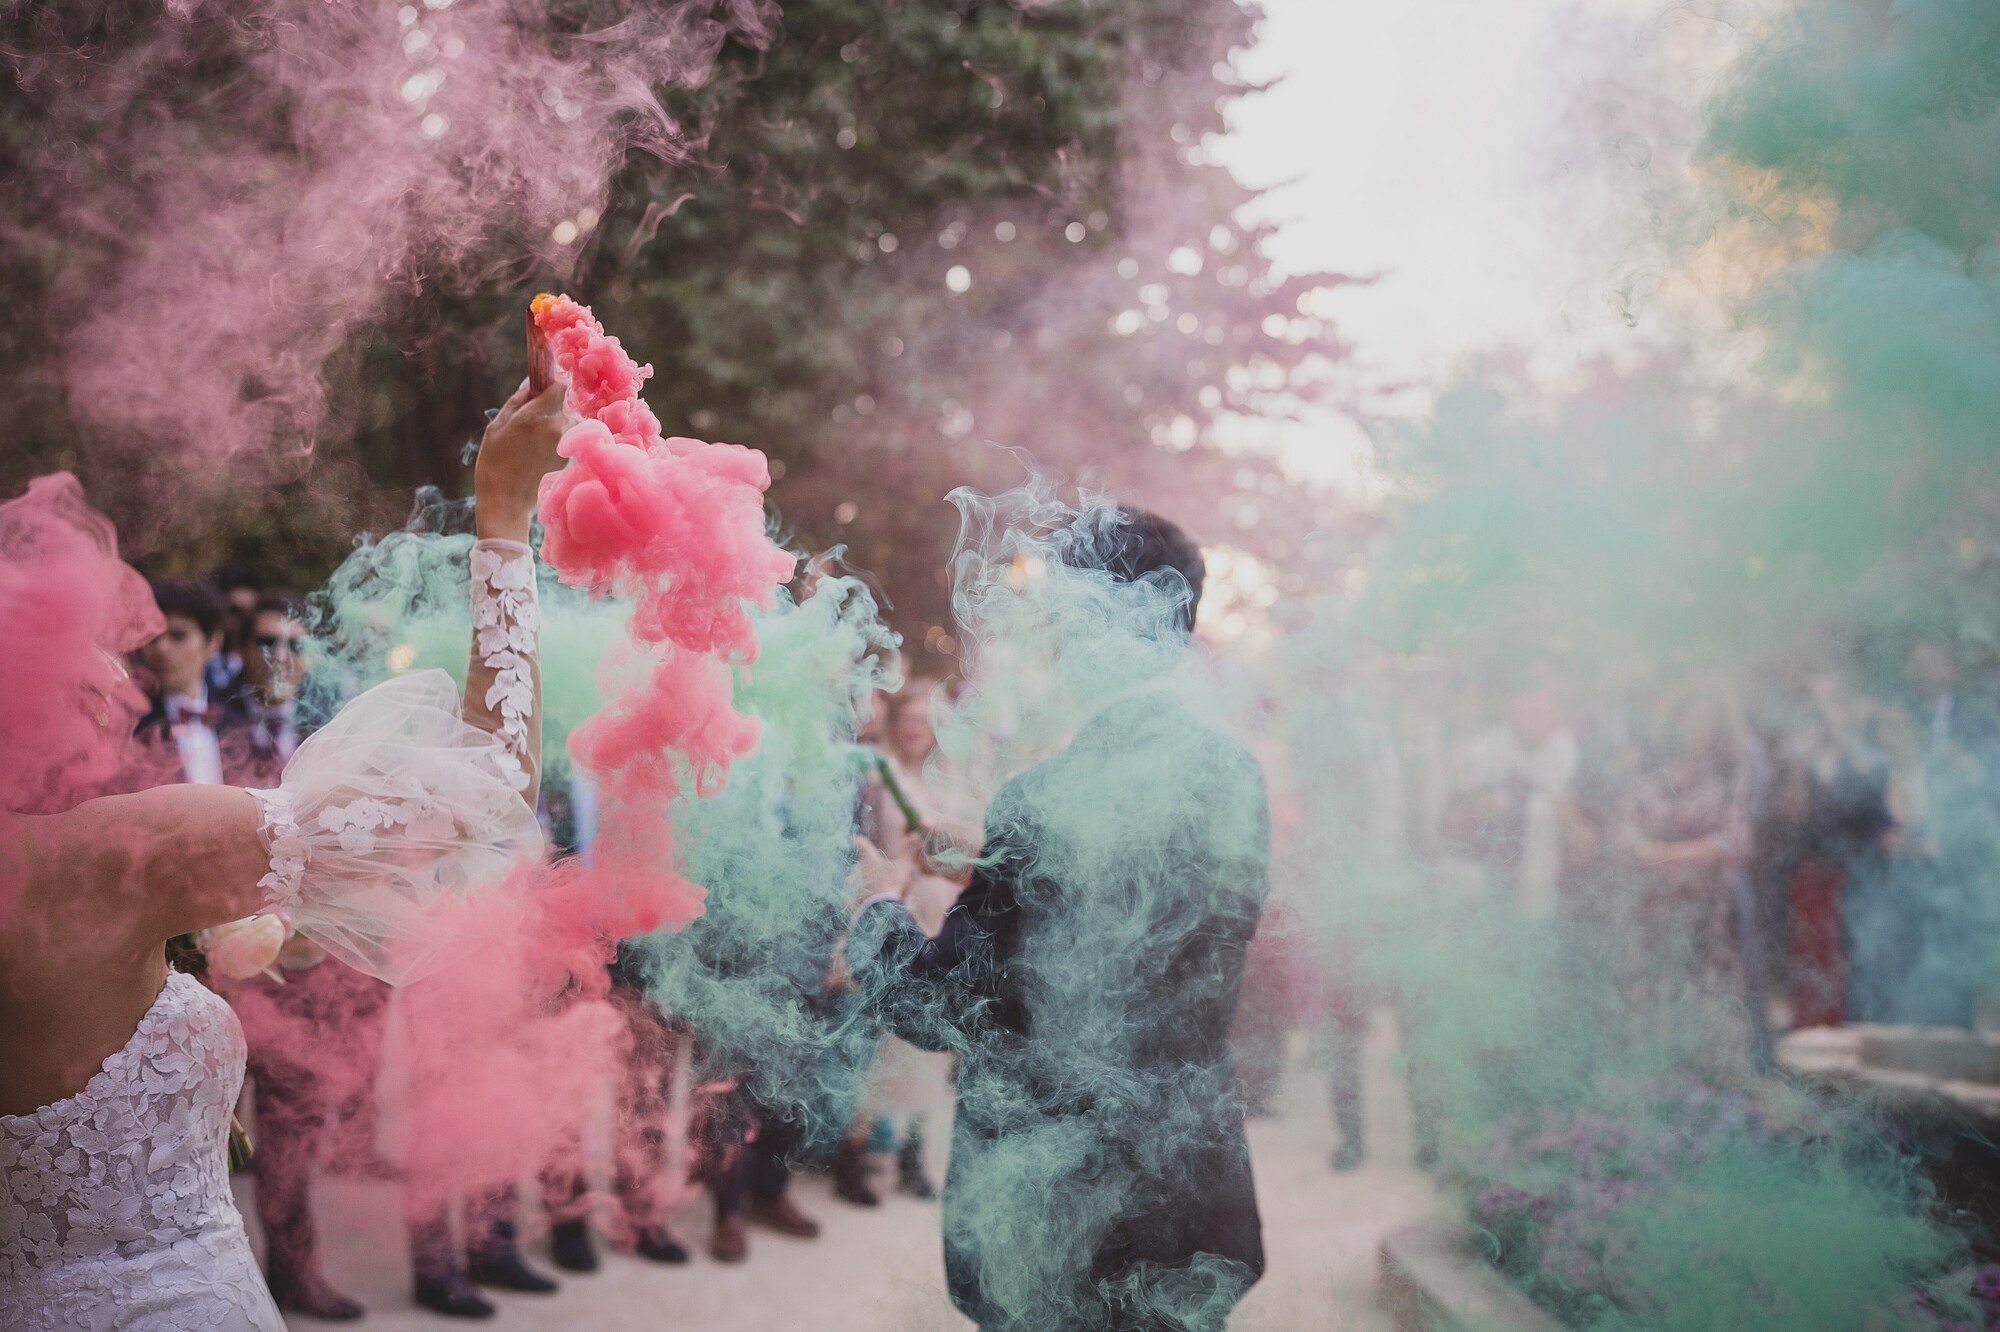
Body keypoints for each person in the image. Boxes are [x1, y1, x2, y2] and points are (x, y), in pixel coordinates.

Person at [0, 378, 568, 1332]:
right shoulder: (112, 855)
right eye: (92, 648)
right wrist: (506, 512)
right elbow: (492, 786)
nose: (119, 680)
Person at [848, 508, 1270, 1332]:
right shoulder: (1232, 777)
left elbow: (938, 1004)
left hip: (1054, 1219)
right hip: (1185, 1199)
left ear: (1097, 623)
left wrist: (877, 907)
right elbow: (1134, 920)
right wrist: (994, 862)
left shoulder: (1041, 802)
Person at [134, 578, 232, 785]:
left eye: (178, 636)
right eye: (152, 637)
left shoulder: (237, 719)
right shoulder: (130, 724)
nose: (161, 649)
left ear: (214, 642)